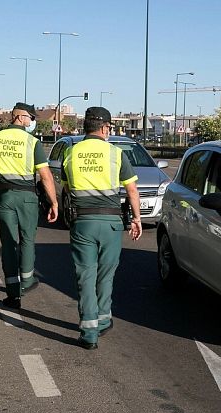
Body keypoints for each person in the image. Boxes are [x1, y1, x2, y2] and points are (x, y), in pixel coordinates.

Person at [61, 106, 142, 350]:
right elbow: (132, 191)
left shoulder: (71, 153)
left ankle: (89, 333)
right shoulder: (116, 154)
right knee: (106, 275)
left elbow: (66, 188)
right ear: (105, 128)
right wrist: (136, 219)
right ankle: (104, 320)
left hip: (82, 223)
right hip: (111, 224)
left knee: (85, 275)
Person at [0, 102, 59, 309]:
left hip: (4, 196)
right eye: (31, 118)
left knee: (8, 243)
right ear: (21, 117)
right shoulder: (32, 142)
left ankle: (13, 293)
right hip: (27, 197)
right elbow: (45, 176)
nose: (32, 122)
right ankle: (27, 280)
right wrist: (54, 202)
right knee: (27, 239)